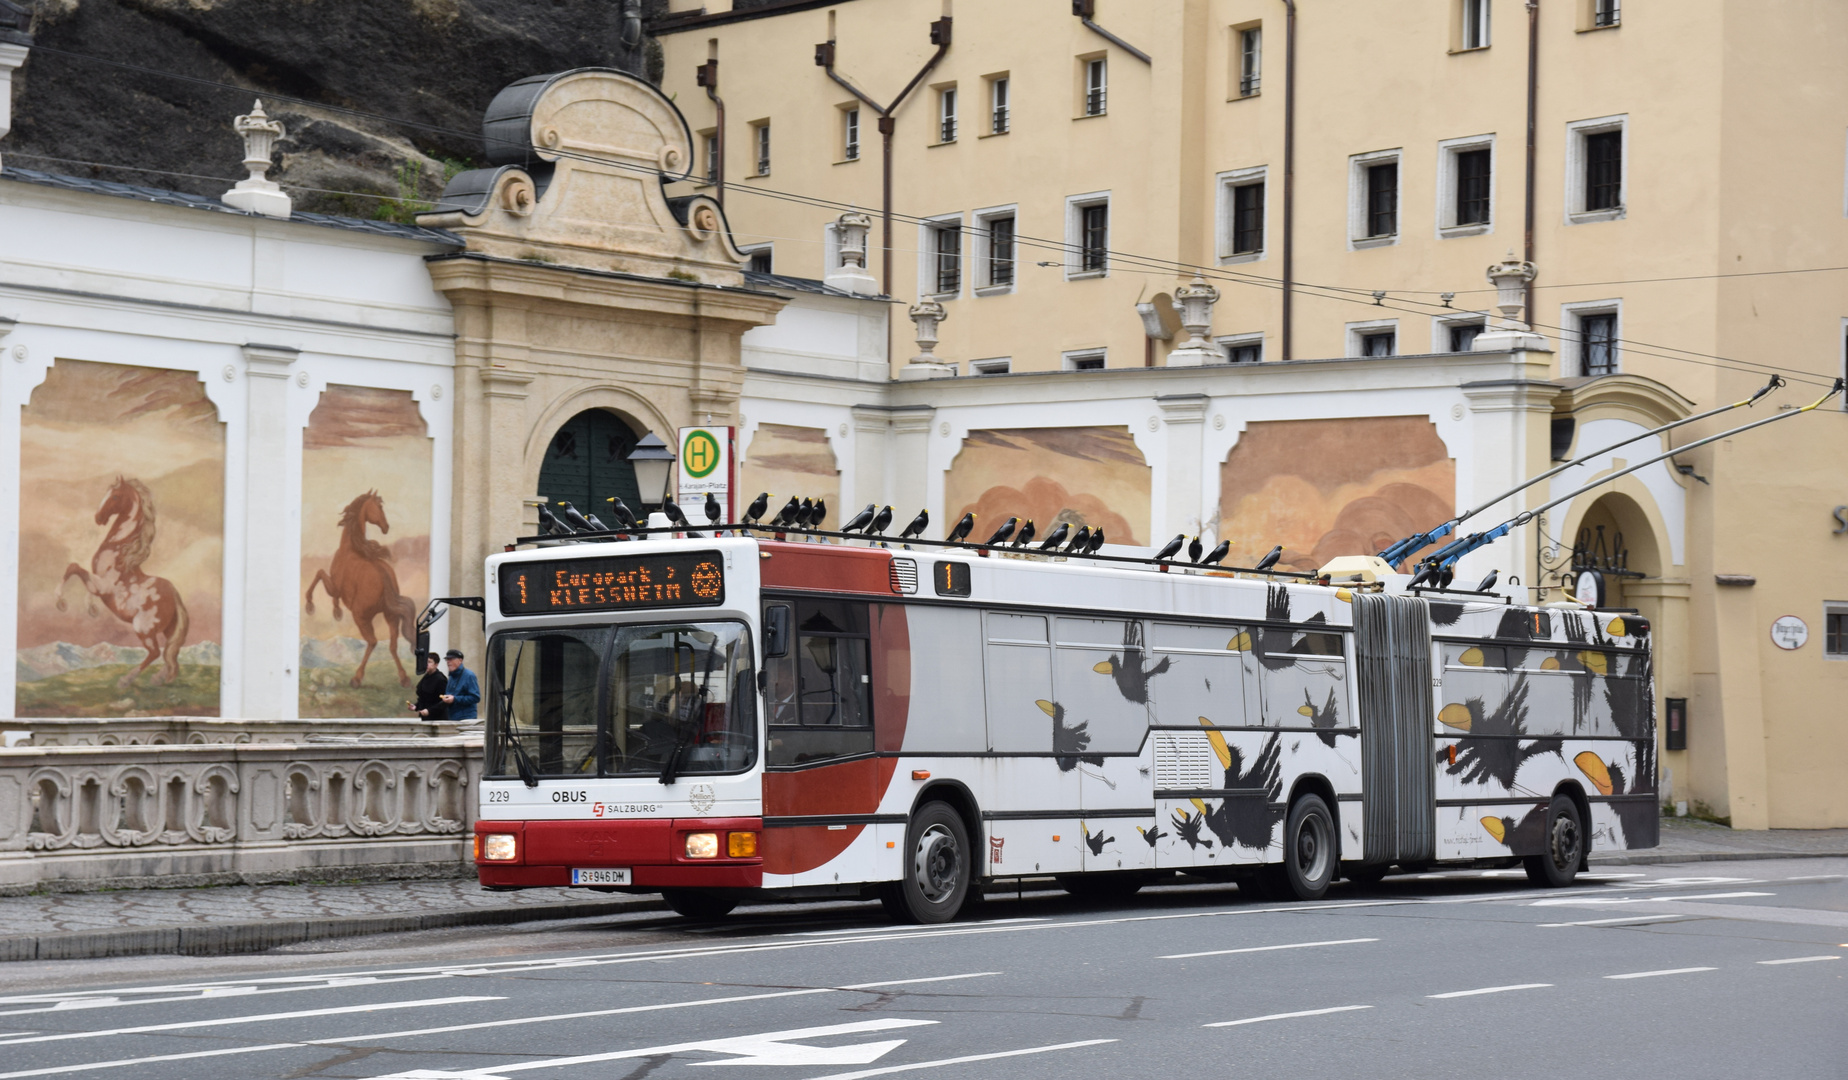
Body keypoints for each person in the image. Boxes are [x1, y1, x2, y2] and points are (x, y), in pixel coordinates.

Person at [441, 649, 481, 721]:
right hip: (452, 718)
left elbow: (475, 697)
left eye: (451, 659)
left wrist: (455, 699)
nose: (448, 662)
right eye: (447, 659)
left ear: (460, 660)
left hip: (466, 719)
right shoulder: (451, 677)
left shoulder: (469, 675)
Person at [409, 652, 449, 723]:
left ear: (436, 664)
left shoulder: (440, 679)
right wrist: (416, 706)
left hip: (438, 718)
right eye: (425, 662)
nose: (426, 664)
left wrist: (429, 711)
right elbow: (424, 697)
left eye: (429, 662)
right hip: (426, 717)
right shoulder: (426, 677)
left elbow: (444, 701)